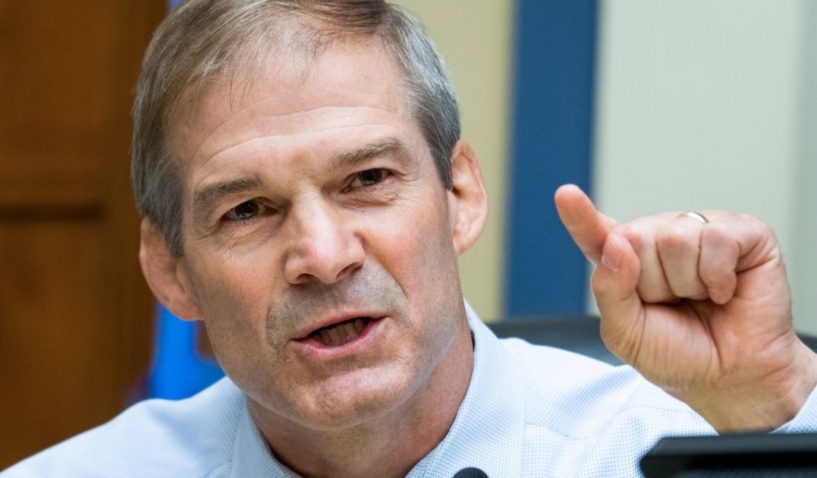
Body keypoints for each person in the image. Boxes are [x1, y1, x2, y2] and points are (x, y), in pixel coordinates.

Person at [5, 1, 817, 476]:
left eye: (366, 181)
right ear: (170, 270)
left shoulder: (650, 449)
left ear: (459, 194)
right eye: (246, 210)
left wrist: (773, 401)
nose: (323, 257)